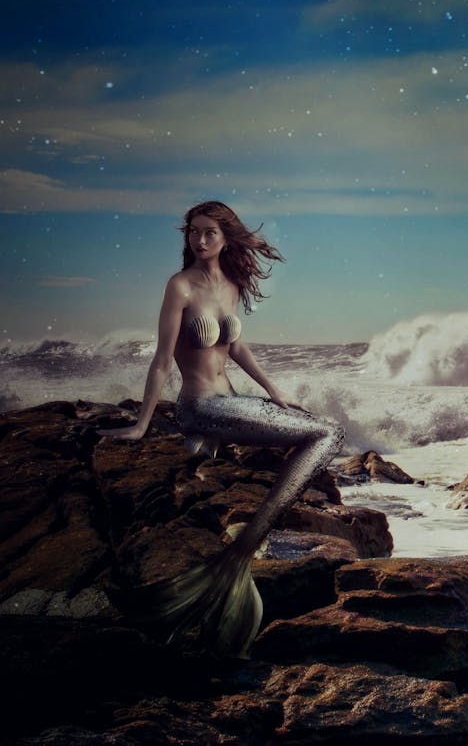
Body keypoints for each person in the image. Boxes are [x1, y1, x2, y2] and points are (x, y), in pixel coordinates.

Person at [100, 200, 344, 658]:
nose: (200, 239)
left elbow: (234, 348)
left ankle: (240, 543)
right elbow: (160, 360)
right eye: (193, 232)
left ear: (226, 236)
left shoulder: (230, 285)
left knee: (319, 429)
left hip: (230, 402)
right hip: (199, 406)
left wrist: (273, 390)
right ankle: (245, 548)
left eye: (210, 232)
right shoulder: (179, 286)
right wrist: (141, 425)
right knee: (329, 435)